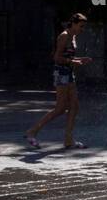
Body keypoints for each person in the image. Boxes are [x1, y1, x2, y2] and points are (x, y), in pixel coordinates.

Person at [25, 13, 91, 150]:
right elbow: (56, 57)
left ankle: (68, 139)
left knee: (74, 106)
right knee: (60, 108)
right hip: (61, 73)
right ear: (73, 23)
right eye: (81, 26)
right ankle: (32, 131)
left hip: (69, 73)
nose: (82, 29)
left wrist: (79, 59)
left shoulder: (73, 36)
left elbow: (68, 55)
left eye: (84, 27)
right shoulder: (64, 36)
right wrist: (73, 61)